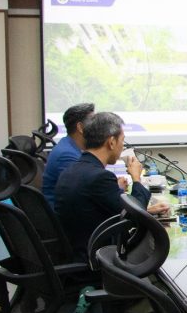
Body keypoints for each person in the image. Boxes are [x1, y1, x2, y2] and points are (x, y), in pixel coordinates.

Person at [54, 112, 168, 261]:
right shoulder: (99, 177)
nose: (123, 146)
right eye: (122, 140)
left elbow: (109, 208)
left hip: (76, 251)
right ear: (112, 142)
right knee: (156, 240)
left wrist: (148, 209)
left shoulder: (71, 170)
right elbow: (135, 217)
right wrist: (136, 179)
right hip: (97, 257)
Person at [41, 102, 94, 207]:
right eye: (94, 123)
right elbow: (83, 195)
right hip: (63, 215)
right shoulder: (66, 155)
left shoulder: (67, 145)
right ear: (80, 127)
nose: (98, 128)